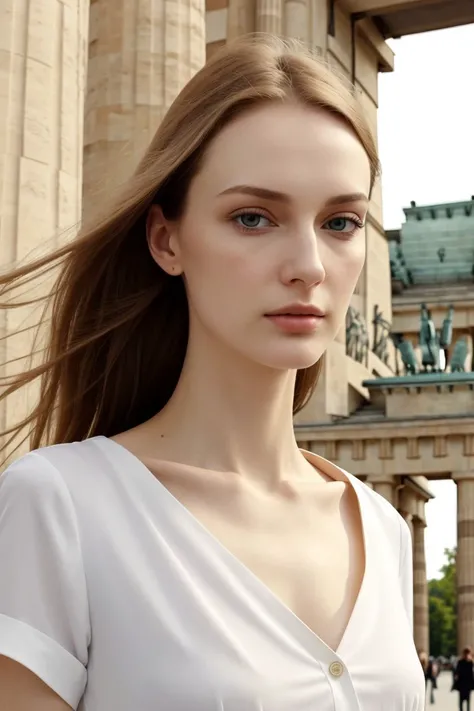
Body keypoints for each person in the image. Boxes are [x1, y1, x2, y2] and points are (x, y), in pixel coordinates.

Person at [0, 34, 425, 711]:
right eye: (253, 217)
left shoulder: (381, 527)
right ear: (167, 239)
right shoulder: (59, 507)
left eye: (340, 221)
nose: (310, 265)